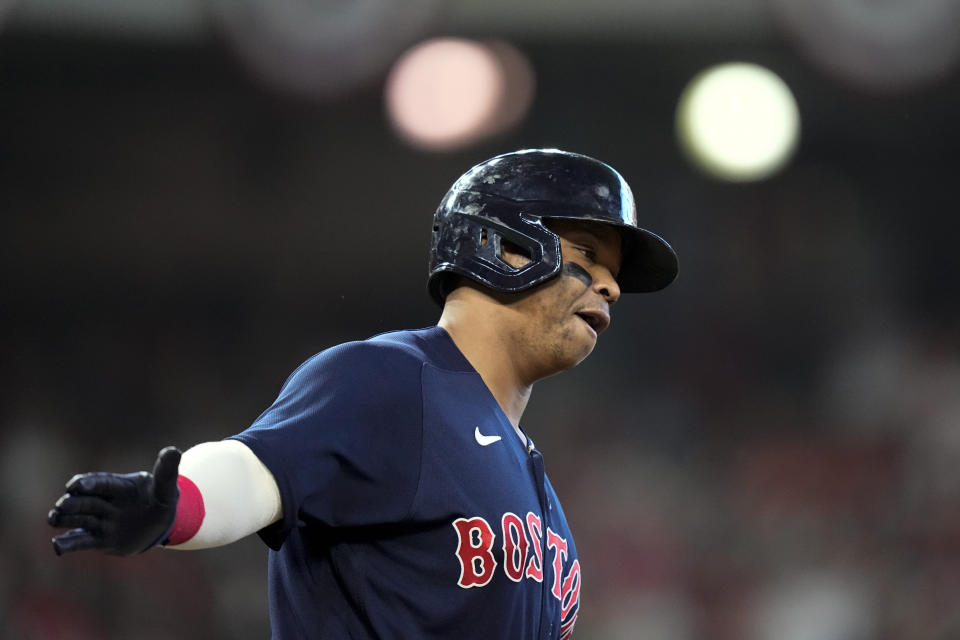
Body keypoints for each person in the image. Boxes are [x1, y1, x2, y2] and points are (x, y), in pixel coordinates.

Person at [47, 148, 678, 639]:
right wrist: (177, 505)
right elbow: (256, 469)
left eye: (613, 274)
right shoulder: (392, 382)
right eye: (588, 256)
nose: (610, 288)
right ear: (507, 245)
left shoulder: (539, 488)